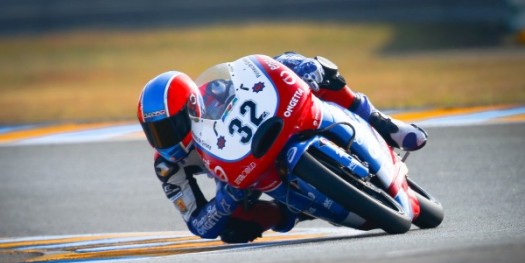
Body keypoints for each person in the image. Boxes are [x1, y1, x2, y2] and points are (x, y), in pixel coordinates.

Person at [136, 52, 428, 244]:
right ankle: (290, 212)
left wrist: (296, 68)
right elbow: (199, 225)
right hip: (239, 177)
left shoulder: (214, 91)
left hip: (269, 130)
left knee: (309, 68)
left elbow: (256, 78)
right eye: (155, 133)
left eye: (169, 127)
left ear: (191, 107)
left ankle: (383, 123)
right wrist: (226, 201)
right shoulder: (168, 166)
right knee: (231, 231)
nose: (165, 140)